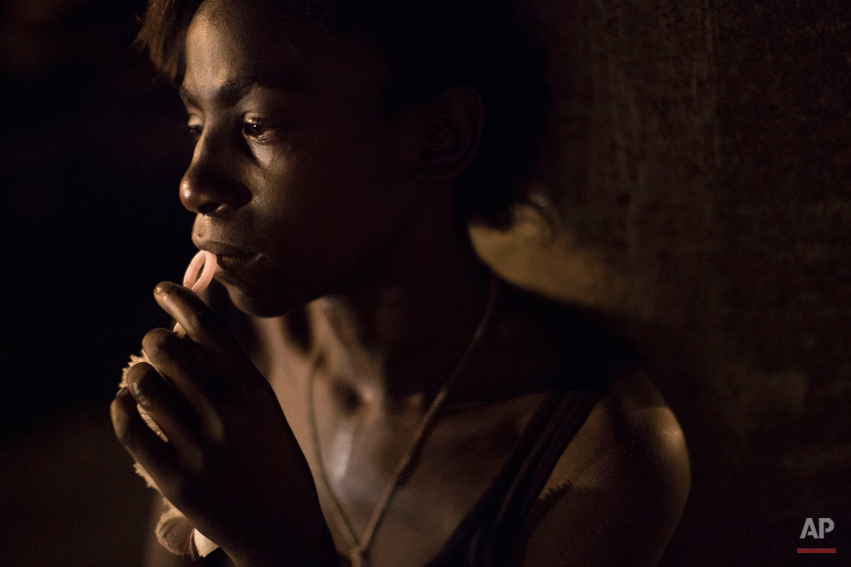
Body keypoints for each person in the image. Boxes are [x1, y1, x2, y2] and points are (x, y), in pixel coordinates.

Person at [111, 0, 691, 565]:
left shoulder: (599, 459)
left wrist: (282, 552)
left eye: (257, 124)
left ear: (438, 138)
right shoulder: (231, 369)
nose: (193, 185)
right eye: (195, 122)